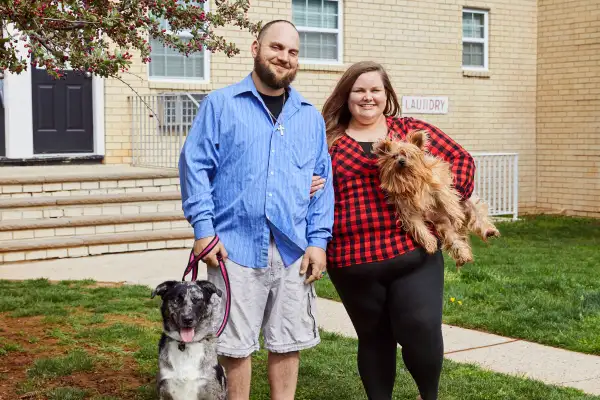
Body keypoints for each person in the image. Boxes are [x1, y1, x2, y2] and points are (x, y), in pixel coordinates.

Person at [178, 20, 334, 400]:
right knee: (234, 346)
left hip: (293, 249)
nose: (284, 57)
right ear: (255, 48)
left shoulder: (308, 116)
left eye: (293, 52)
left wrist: (318, 241)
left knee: (287, 342)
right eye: (276, 48)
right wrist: (203, 230)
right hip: (233, 248)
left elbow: (322, 181)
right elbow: (194, 167)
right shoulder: (221, 104)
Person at [317, 61, 475, 400]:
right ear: (346, 96)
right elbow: (300, 182)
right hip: (352, 260)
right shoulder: (328, 139)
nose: (367, 97)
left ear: (387, 95)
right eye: (359, 90)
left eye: (375, 89)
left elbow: (462, 160)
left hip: (414, 251)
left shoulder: (409, 130)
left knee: (420, 327)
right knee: (374, 338)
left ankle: (428, 396)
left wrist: (438, 198)